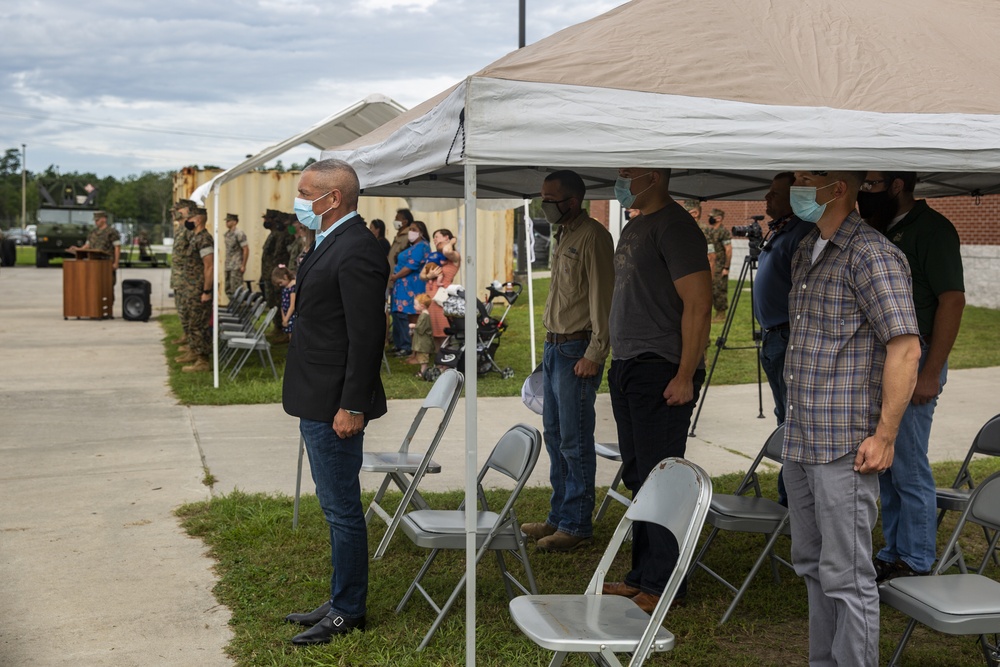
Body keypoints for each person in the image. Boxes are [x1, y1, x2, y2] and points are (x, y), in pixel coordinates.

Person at [783, 170, 920, 666]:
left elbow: (904, 349)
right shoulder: (807, 249)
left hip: (844, 445)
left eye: (805, 179)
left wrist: (886, 436)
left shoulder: (872, 254)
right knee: (814, 567)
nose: (795, 187)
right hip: (801, 440)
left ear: (838, 187)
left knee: (848, 575)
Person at [281, 159, 389, 646]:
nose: (298, 202)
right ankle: (340, 595)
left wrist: (353, 405)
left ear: (334, 198)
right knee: (333, 506)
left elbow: (367, 337)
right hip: (315, 393)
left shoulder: (357, 248)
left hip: (335, 403)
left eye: (305, 193)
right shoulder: (328, 242)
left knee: (343, 509)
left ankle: (348, 610)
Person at [602, 168, 712, 613]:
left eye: (629, 173)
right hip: (628, 365)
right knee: (638, 476)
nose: (621, 179)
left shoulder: (676, 226)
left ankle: (665, 584)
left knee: (662, 479)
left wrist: (685, 374)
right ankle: (641, 575)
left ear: (653, 176)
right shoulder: (634, 224)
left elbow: (699, 302)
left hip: (661, 368)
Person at [858, 171, 966, 583]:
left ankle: (917, 560)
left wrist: (931, 372)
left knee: (908, 464)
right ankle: (893, 550)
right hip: (887, 359)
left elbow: (952, 301)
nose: (863, 192)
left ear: (897, 185)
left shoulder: (933, 229)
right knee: (884, 462)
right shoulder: (883, 229)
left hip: (917, 360)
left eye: (870, 184)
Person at [519, 170, 614, 553]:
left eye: (550, 198)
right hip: (554, 348)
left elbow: (603, 300)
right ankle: (559, 517)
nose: (544, 204)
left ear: (572, 201)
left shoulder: (593, 236)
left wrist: (595, 352)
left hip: (578, 351)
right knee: (556, 436)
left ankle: (576, 524)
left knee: (574, 441)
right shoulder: (565, 234)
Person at [753, 172, 814, 505]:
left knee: (792, 422)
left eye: (775, 193)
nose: (767, 198)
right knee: (784, 418)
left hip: (788, 336)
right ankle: (789, 495)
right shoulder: (781, 229)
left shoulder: (802, 232)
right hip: (773, 337)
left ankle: (792, 500)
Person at [174, 208, 215, 373]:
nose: (187, 220)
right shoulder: (196, 238)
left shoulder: (204, 239)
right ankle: (194, 351)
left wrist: (206, 291)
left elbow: (209, 266)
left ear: (197, 220)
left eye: (189, 218)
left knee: (199, 324)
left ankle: (203, 360)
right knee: (192, 323)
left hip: (199, 290)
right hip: (191, 289)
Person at [389, 220, 430, 358]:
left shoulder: (422, 246)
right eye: (410, 229)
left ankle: (408, 346)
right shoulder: (412, 246)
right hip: (401, 286)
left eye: (414, 229)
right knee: (398, 315)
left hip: (411, 286)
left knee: (408, 315)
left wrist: (395, 276)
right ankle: (400, 344)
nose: (410, 232)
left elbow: (411, 266)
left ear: (421, 232)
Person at [70, 210, 121, 314]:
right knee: (93, 286)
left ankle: (108, 309)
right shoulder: (92, 232)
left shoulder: (112, 232)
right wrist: (78, 249)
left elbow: (117, 247)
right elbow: (87, 246)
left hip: (106, 264)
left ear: (104, 219)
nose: (96, 222)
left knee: (108, 286)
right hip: (93, 265)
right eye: (95, 220)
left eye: (97, 220)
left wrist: (116, 262)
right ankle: (93, 308)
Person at [419, 228, 461, 349]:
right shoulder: (434, 257)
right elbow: (422, 275)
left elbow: (447, 251)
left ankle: (448, 358)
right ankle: (440, 359)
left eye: (437, 236)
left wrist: (452, 242)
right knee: (435, 332)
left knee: (444, 331)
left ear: (446, 237)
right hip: (430, 297)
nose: (434, 240)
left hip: (442, 298)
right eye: (434, 238)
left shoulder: (454, 256)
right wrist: (429, 276)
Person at [169, 200, 196, 346]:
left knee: (187, 309)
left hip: (186, 277)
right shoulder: (180, 229)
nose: (175, 213)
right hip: (178, 276)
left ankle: (191, 341)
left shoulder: (188, 230)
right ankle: (187, 336)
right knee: (181, 308)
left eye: (179, 210)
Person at [705, 208, 733, 322]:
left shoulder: (723, 232)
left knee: (719, 290)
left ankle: (721, 314)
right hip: (712, 265)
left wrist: (726, 267)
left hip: (720, 266)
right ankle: (713, 314)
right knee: (711, 289)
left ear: (719, 218)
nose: (710, 219)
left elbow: (728, 250)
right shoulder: (711, 231)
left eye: (712, 216)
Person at [223, 213, 248, 300]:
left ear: (235, 222)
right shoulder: (227, 234)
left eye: (228, 221)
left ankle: (239, 308)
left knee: (236, 288)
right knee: (228, 288)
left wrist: (243, 265)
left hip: (236, 265)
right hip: (228, 265)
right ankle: (233, 306)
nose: (226, 223)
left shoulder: (239, 233)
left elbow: (245, 249)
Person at [410, 293, 435, 378]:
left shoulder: (424, 316)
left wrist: (414, 325)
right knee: (421, 356)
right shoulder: (423, 315)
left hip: (423, 342)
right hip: (422, 341)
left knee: (423, 357)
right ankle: (422, 371)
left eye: (415, 304)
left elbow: (421, 328)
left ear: (422, 306)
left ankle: (423, 371)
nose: (414, 306)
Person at [271, 265, 297, 341]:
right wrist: (284, 318)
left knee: (294, 337)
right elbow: (283, 305)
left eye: (280, 282)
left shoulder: (293, 287)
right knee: (290, 336)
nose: (280, 285)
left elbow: (292, 305)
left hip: (292, 316)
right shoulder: (285, 288)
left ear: (285, 277)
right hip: (287, 317)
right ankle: (292, 350)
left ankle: (294, 351)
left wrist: (286, 318)